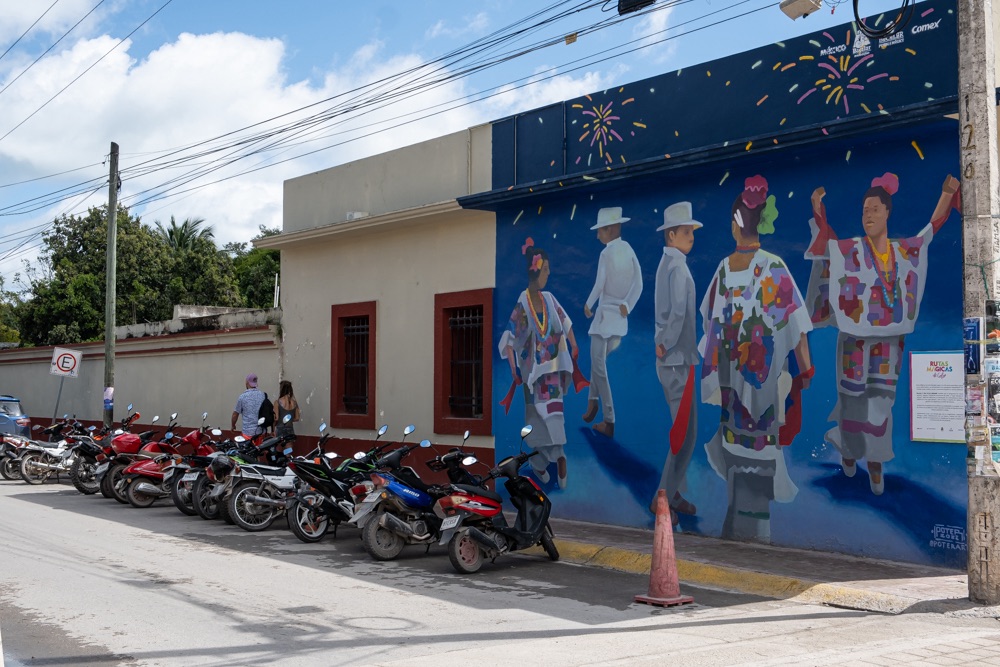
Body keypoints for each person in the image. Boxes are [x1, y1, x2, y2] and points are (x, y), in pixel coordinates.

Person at [805, 173, 960, 495]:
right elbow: (827, 246)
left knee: (881, 401)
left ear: (888, 212)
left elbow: (929, 232)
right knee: (851, 398)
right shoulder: (850, 250)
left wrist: (947, 194)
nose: (869, 215)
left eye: (875, 209)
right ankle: (849, 450)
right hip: (854, 338)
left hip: (890, 340)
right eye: (865, 210)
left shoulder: (904, 251)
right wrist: (819, 212)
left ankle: (875, 461)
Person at [700, 175, 813, 543]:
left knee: (735, 449)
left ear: (736, 223)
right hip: (763, 383)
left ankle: (740, 525)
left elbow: (709, 322)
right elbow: (797, 325)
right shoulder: (774, 267)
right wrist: (806, 368)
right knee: (759, 450)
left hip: (731, 384)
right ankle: (752, 529)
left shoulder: (723, 270)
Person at [499, 237, 581, 489]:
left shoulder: (549, 298)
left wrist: (574, 344)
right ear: (536, 271)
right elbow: (511, 338)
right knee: (538, 422)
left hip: (551, 372)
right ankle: (544, 462)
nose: (549, 273)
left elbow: (564, 320)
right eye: (546, 269)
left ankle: (556, 457)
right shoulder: (523, 303)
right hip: (531, 377)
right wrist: (514, 369)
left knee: (552, 417)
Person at [652, 201, 702, 525]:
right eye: (686, 231)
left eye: (692, 231)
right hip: (677, 361)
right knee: (684, 434)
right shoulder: (678, 268)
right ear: (671, 235)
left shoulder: (668, 264)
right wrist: (666, 344)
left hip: (675, 359)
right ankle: (663, 497)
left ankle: (674, 493)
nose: (691, 237)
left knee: (685, 432)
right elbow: (679, 313)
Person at [583, 207, 643, 439]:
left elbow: (600, 284)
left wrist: (588, 304)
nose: (598, 234)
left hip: (604, 318)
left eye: (600, 230)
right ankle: (592, 401)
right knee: (597, 363)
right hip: (619, 321)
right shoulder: (629, 250)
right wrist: (628, 305)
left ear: (611, 229)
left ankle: (608, 419)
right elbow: (638, 283)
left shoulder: (606, 254)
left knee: (599, 367)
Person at [231, 373, 267, 440]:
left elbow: (235, 415)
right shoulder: (263, 395)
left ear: (247, 382)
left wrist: (233, 425)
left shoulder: (242, 397)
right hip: (261, 432)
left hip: (247, 433)